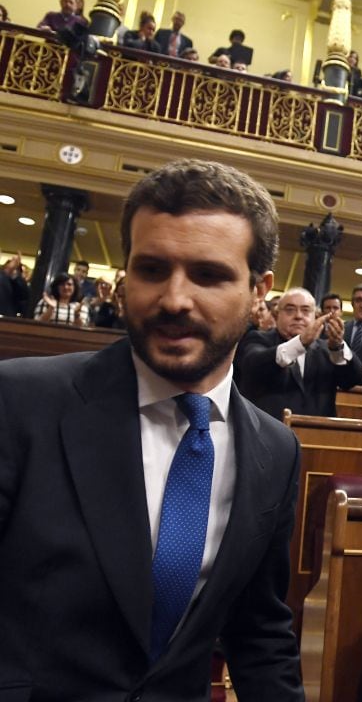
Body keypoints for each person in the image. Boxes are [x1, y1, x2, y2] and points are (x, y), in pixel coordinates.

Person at [0, 159, 303, 698]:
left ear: (260, 292)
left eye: (208, 275)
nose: (174, 300)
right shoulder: (21, 401)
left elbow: (259, 632)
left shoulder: (275, 451)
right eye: (152, 269)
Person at [237, 286, 362, 421]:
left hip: (317, 435)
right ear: (276, 314)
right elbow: (253, 366)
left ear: (316, 316)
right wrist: (300, 343)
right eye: (290, 310)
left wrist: (338, 347)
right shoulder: (257, 338)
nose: (298, 316)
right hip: (265, 433)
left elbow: (353, 379)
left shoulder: (327, 349)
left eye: (305, 310)